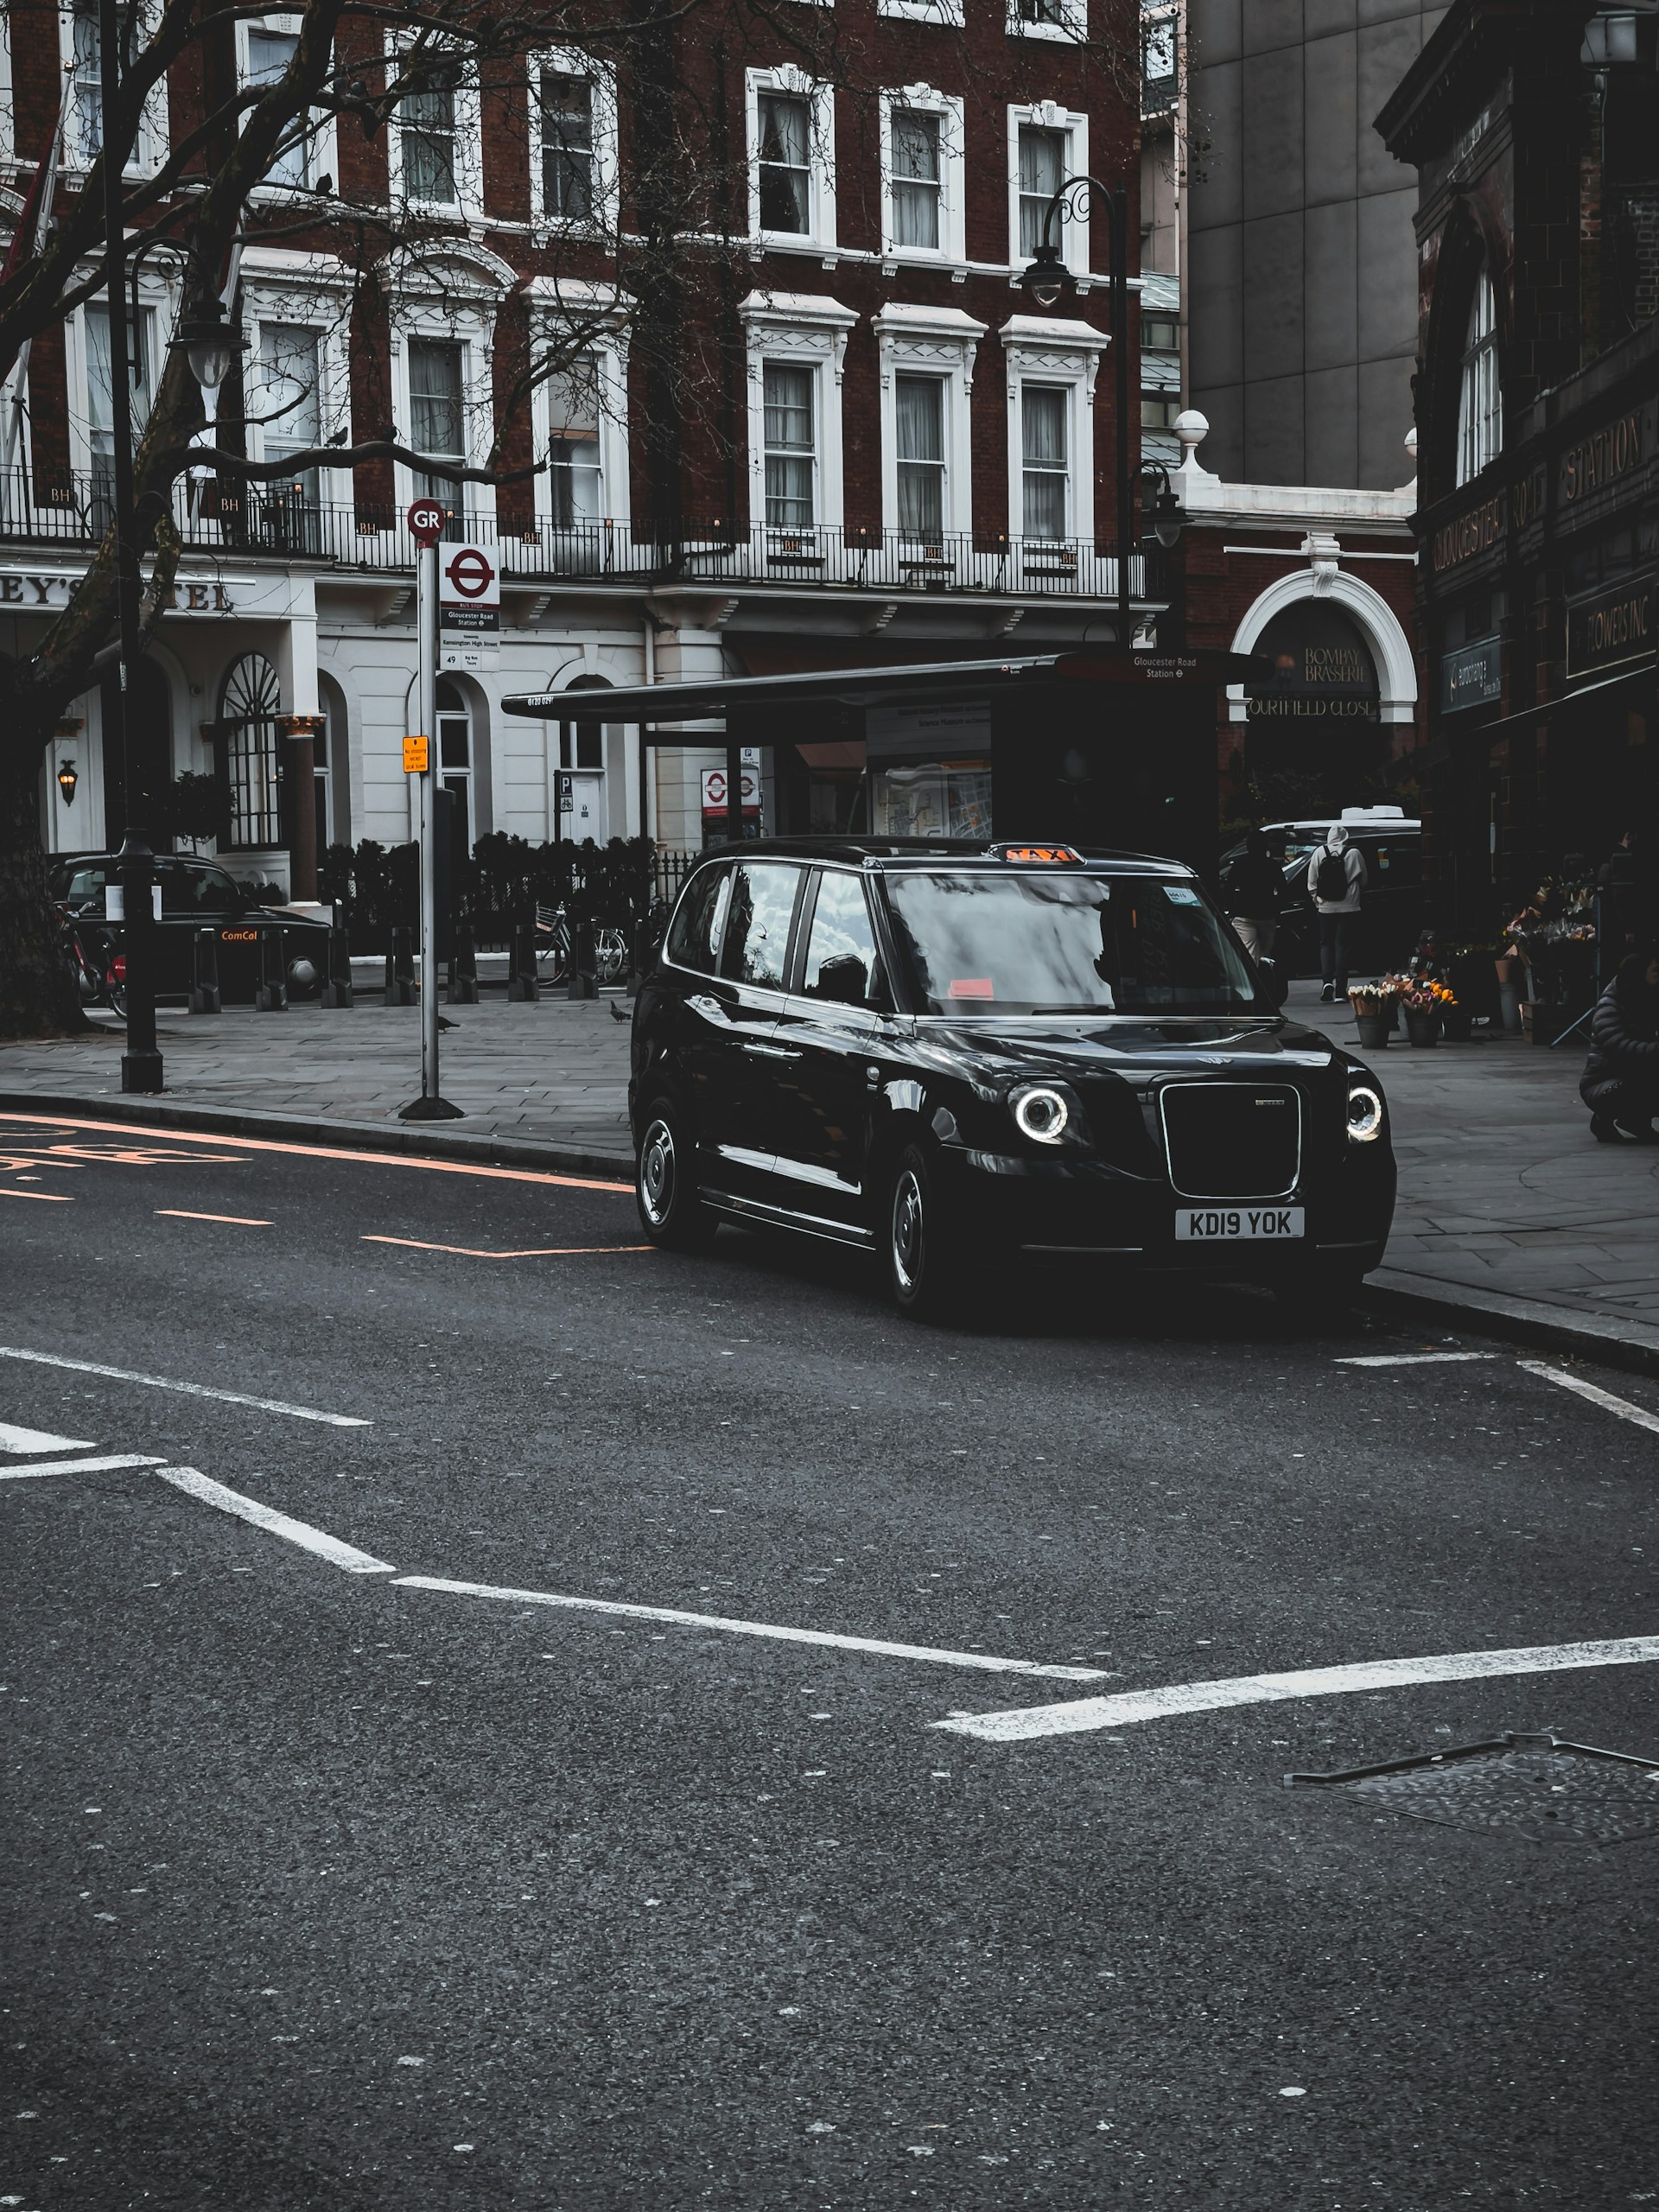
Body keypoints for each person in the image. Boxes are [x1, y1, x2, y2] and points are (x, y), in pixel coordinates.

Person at [1580, 949, 1659, 1143]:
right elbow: (1618, 1046)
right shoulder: (1610, 1005)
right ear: (1638, 973)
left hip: (1635, 1074)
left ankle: (1636, 1121)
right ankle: (1603, 1117)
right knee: (1641, 1083)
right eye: (1656, 971)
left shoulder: (1648, 999)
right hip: (1604, 1085)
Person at [1306, 824, 1367, 1001]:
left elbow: (1311, 882)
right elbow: (1364, 881)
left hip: (1325, 907)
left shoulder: (1319, 852)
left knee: (1326, 944)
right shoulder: (1354, 853)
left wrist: (1318, 901)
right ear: (1345, 837)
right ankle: (1341, 990)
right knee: (1343, 947)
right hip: (1350, 906)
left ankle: (1327, 982)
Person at [1225, 828, 1285, 962]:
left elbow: (1228, 889)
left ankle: (1252, 980)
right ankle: (1265, 979)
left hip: (1244, 914)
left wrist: (1233, 911)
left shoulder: (1240, 864)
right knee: (1265, 955)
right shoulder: (1272, 865)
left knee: (1249, 953)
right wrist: (1277, 910)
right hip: (1267, 914)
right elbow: (1283, 891)